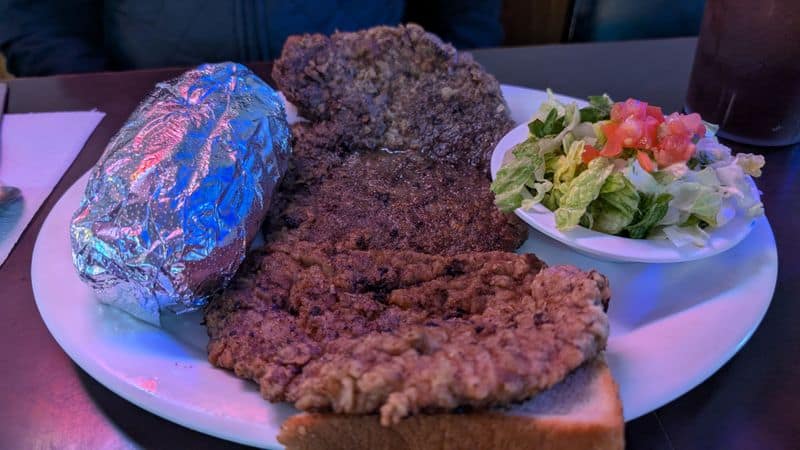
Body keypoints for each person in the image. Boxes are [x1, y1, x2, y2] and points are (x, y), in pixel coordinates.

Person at [0, 0, 503, 77]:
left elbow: (464, 10)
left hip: (374, 106)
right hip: (145, 100)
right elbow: (35, 16)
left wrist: (454, 75)